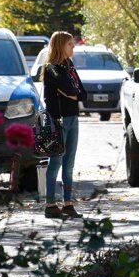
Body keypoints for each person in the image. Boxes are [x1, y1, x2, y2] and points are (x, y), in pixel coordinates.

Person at [42, 31, 86, 219]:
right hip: (57, 121)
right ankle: (50, 205)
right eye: (70, 44)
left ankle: (68, 204)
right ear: (60, 45)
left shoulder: (69, 66)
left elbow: (82, 93)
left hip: (73, 118)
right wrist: (71, 92)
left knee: (69, 164)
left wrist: (71, 93)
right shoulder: (51, 68)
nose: (73, 47)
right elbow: (69, 89)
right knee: (55, 162)